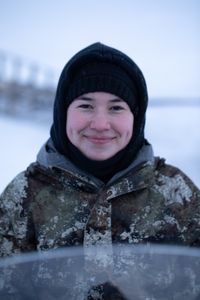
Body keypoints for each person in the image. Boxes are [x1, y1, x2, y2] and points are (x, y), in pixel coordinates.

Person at [0, 42, 200, 298]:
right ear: (62, 113)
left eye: (116, 107)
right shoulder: (23, 195)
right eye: (86, 106)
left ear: (136, 117)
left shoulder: (177, 192)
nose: (101, 124)